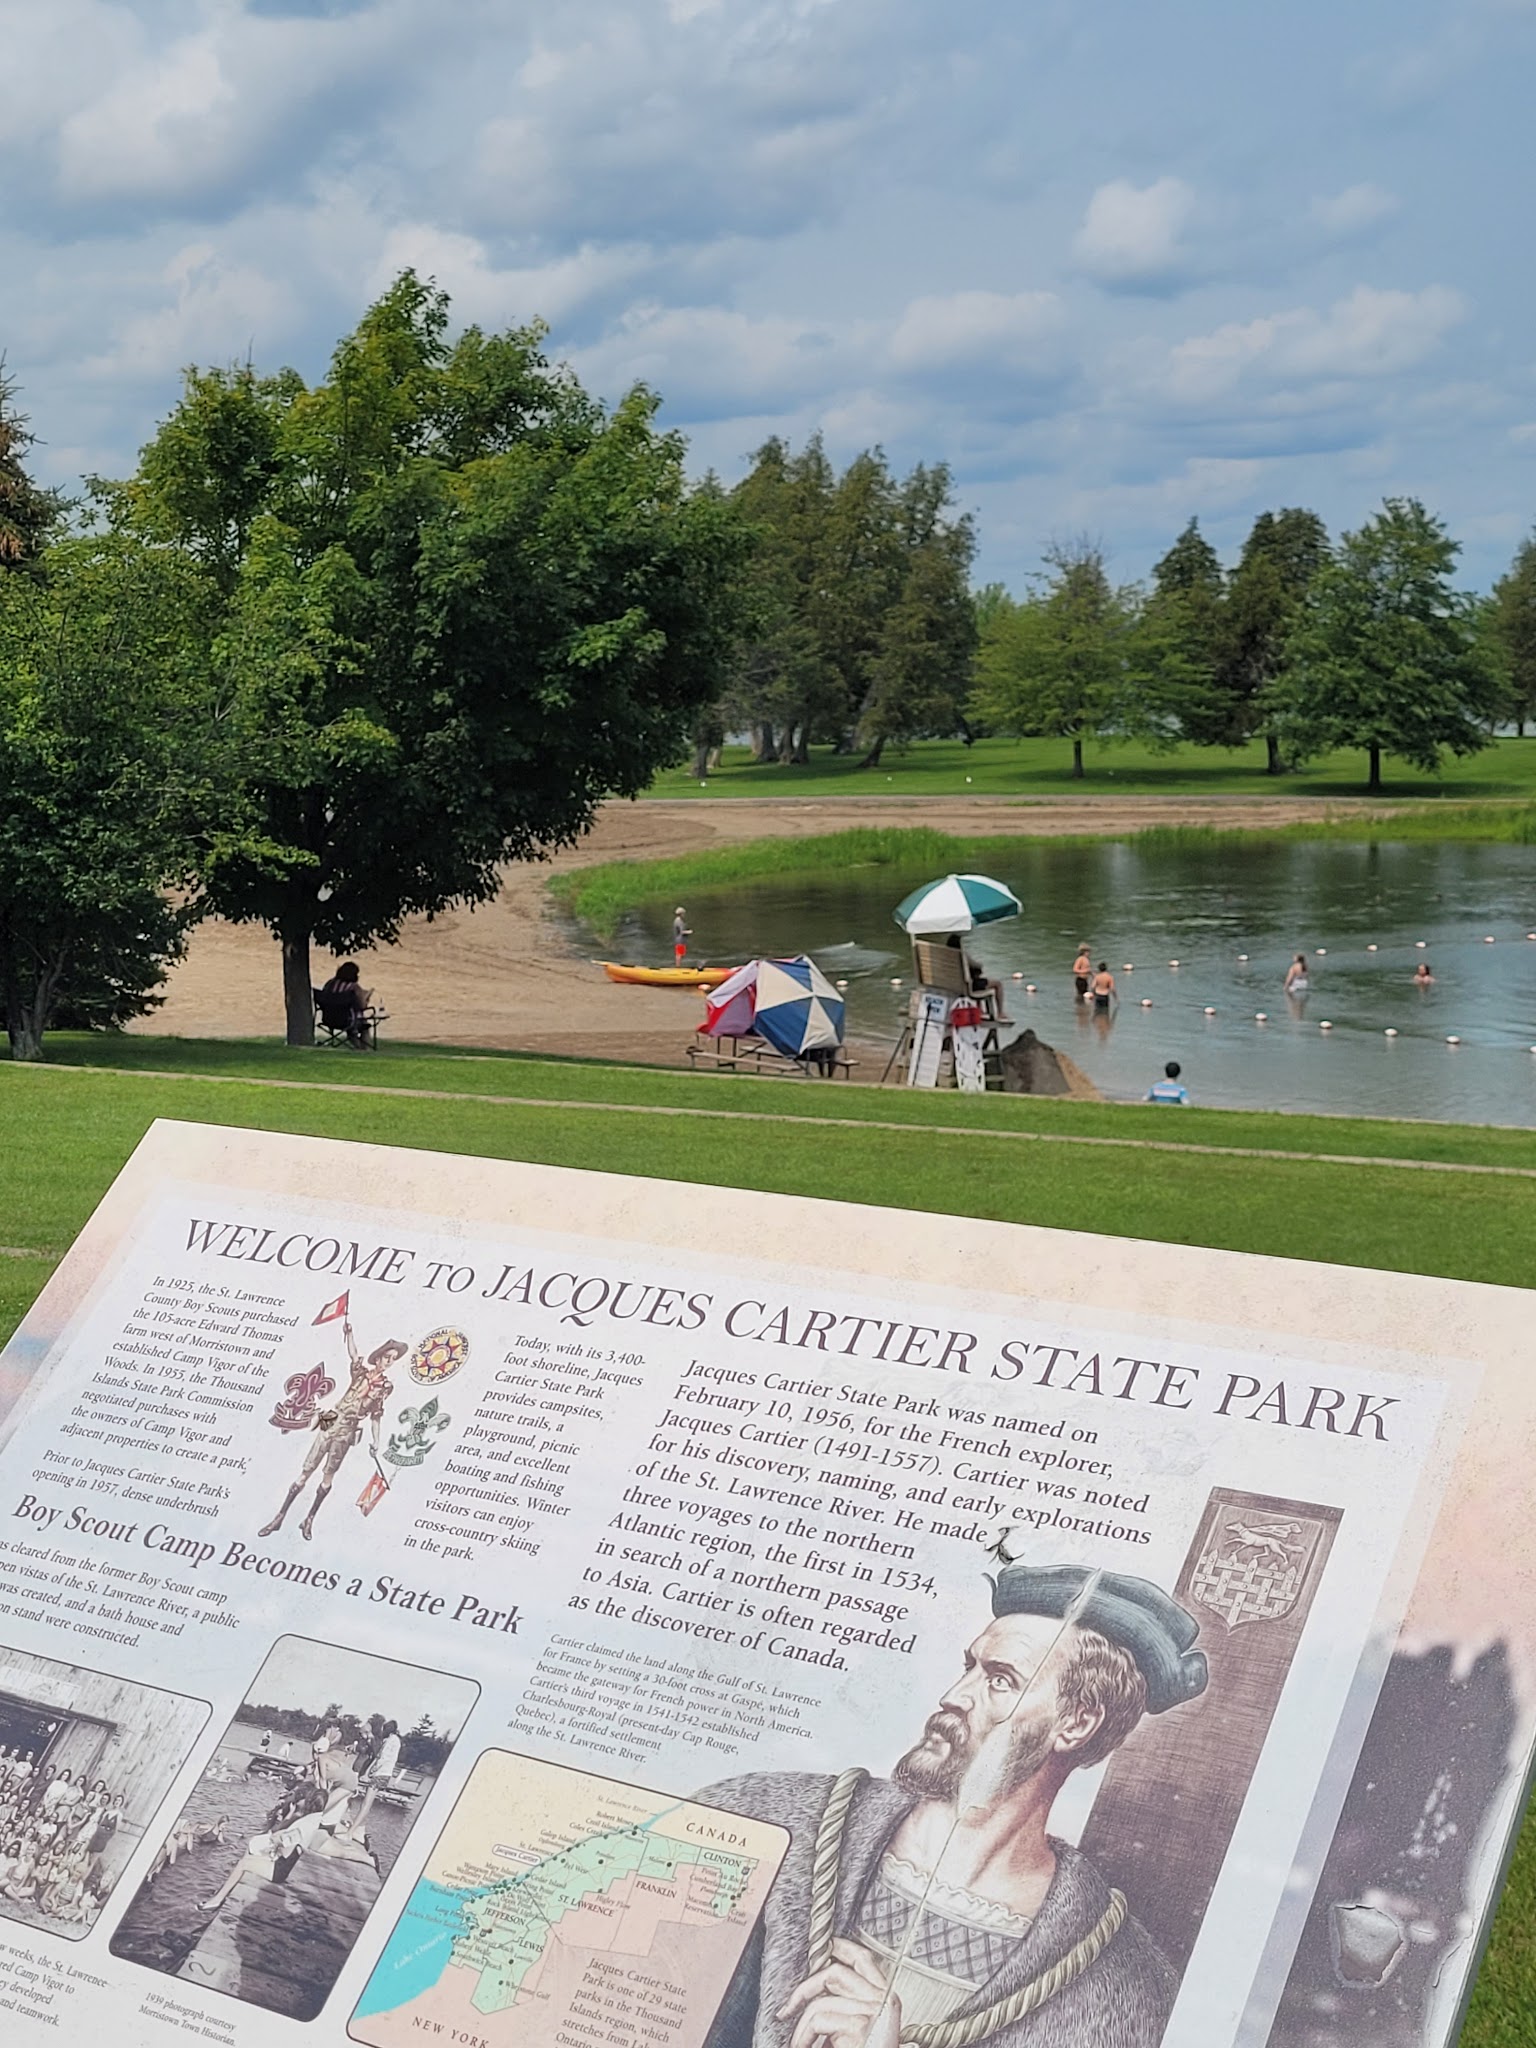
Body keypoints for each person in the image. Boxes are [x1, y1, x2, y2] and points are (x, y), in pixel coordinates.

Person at [698, 1563, 1208, 2048]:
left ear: (1075, 1724)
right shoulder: (760, 1816)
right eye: (969, 1667)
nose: (953, 1696)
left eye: (1000, 1680)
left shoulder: (1124, 1983)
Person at [258, 1318, 405, 1541]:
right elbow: (354, 1355)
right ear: (379, 1356)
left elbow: (376, 1415)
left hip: (349, 1428)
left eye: (393, 1360)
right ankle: (280, 1516)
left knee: (328, 1475)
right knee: (307, 1468)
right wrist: (350, 1332)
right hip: (332, 1417)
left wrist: (377, 1441)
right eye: (387, 1357)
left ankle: (309, 1519)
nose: (389, 1362)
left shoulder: (386, 1386)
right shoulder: (362, 1373)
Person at [317, 961, 374, 1049]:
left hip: (328, 1019)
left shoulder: (330, 984)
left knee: (352, 1026)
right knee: (364, 1027)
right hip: (348, 1020)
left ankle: (359, 1048)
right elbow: (362, 1006)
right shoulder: (354, 987)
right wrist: (366, 997)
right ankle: (365, 1049)